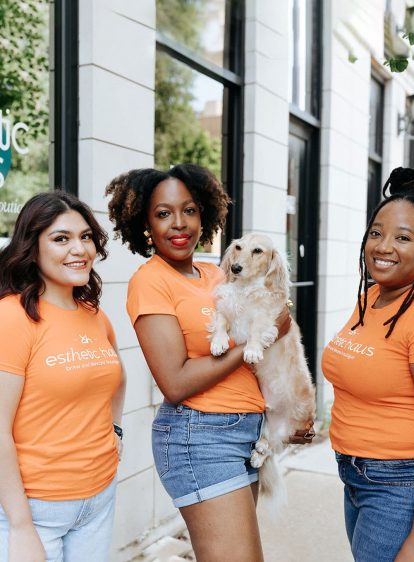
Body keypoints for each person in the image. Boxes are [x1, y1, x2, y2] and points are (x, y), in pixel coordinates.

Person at [105, 163, 314, 562]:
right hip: (200, 436)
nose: (179, 223)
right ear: (145, 223)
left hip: (248, 431)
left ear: (205, 214)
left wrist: (288, 415)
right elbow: (176, 381)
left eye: (189, 210)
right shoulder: (150, 281)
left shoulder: (216, 274)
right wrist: (260, 336)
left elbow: (272, 326)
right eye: (163, 213)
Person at [322, 153, 414, 562]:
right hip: (358, 477)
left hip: (402, 487)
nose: (383, 247)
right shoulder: (371, 297)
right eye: (376, 232)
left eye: (403, 237)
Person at [0, 192, 126, 562]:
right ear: (31, 248)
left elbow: (117, 380)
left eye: (85, 236)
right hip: (36, 510)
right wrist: (21, 527)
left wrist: (115, 431)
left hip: (98, 499)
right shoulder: (12, 317)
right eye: (61, 238)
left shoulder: (92, 313)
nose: (80, 249)